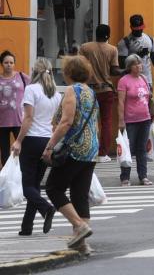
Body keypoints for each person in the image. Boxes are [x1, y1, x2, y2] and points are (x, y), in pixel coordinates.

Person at [42, 56, 99, 253]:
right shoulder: (90, 92)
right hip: (91, 149)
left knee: (53, 188)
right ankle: (81, 242)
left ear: (68, 73)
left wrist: (50, 146)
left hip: (75, 149)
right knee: (79, 195)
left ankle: (80, 225)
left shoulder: (71, 90)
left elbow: (66, 122)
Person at [11, 58, 61, 236]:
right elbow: (56, 121)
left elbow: (28, 118)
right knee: (35, 185)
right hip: (48, 141)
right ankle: (26, 227)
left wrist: (18, 140)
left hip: (32, 140)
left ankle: (46, 208)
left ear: (35, 71)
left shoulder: (31, 89)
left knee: (26, 187)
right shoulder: (56, 93)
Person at [79, 24, 124, 163]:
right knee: (106, 122)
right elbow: (114, 71)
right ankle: (102, 153)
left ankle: (87, 150)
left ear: (95, 34)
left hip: (88, 90)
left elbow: (80, 66)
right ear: (108, 35)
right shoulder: (112, 49)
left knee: (87, 121)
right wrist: (126, 71)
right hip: (106, 90)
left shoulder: (85, 48)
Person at [118, 54, 154, 186]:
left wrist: (152, 112)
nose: (139, 66)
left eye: (140, 63)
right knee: (128, 148)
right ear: (129, 67)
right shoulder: (124, 81)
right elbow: (121, 102)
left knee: (142, 148)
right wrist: (121, 120)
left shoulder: (144, 78)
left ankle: (143, 176)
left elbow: (149, 98)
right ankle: (125, 177)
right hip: (130, 120)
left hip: (145, 118)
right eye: (136, 64)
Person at [117, 14, 154, 89]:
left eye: (141, 28)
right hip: (131, 82)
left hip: (147, 81)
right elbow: (122, 65)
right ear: (131, 27)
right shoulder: (124, 43)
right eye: (136, 29)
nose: (139, 31)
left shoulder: (150, 39)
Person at [0, 50, 30, 168]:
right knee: (4, 152)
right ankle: (6, 177)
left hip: (19, 120)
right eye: (6, 62)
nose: (9, 65)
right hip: (2, 122)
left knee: (22, 150)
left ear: (14, 63)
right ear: (2, 64)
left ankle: (21, 174)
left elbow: (34, 91)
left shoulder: (22, 77)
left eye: (11, 62)